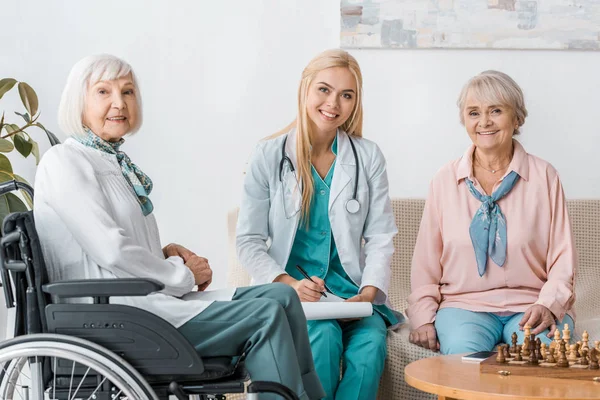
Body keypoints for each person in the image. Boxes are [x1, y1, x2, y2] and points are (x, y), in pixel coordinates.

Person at [33, 54, 324, 400]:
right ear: (77, 101)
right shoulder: (64, 162)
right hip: (116, 317)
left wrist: (165, 252)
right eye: (103, 91)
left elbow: (115, 243)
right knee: (265, 315)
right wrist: (179, 273)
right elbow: (111, 249)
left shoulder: (110, 162)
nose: (119, 102)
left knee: (283, 295)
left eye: (127, 92)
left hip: (138, 304)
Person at [236, 49, 403, 400]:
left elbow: (380, 236)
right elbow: (248, 241)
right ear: (305, 90)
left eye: (346, 95)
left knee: (371, 343)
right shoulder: (268, 155)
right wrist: (288, 285)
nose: (334, 103)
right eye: (324, 90)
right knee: (324, 336)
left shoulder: (367, 155)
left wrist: (370, 291)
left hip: (352, 293)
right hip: (291, 292)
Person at [407, 70, 576, 355]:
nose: (484, 122)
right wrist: (423, 316)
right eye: (474, 113)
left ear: (517, 118)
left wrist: (548, 304)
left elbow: (563, 257)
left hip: (531, 303)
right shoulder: (444, 179)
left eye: (495, 110)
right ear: (465, 120)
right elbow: (425, 261)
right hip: (463, 305)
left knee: (541, 359)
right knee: (463, 365)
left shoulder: (544, 176)